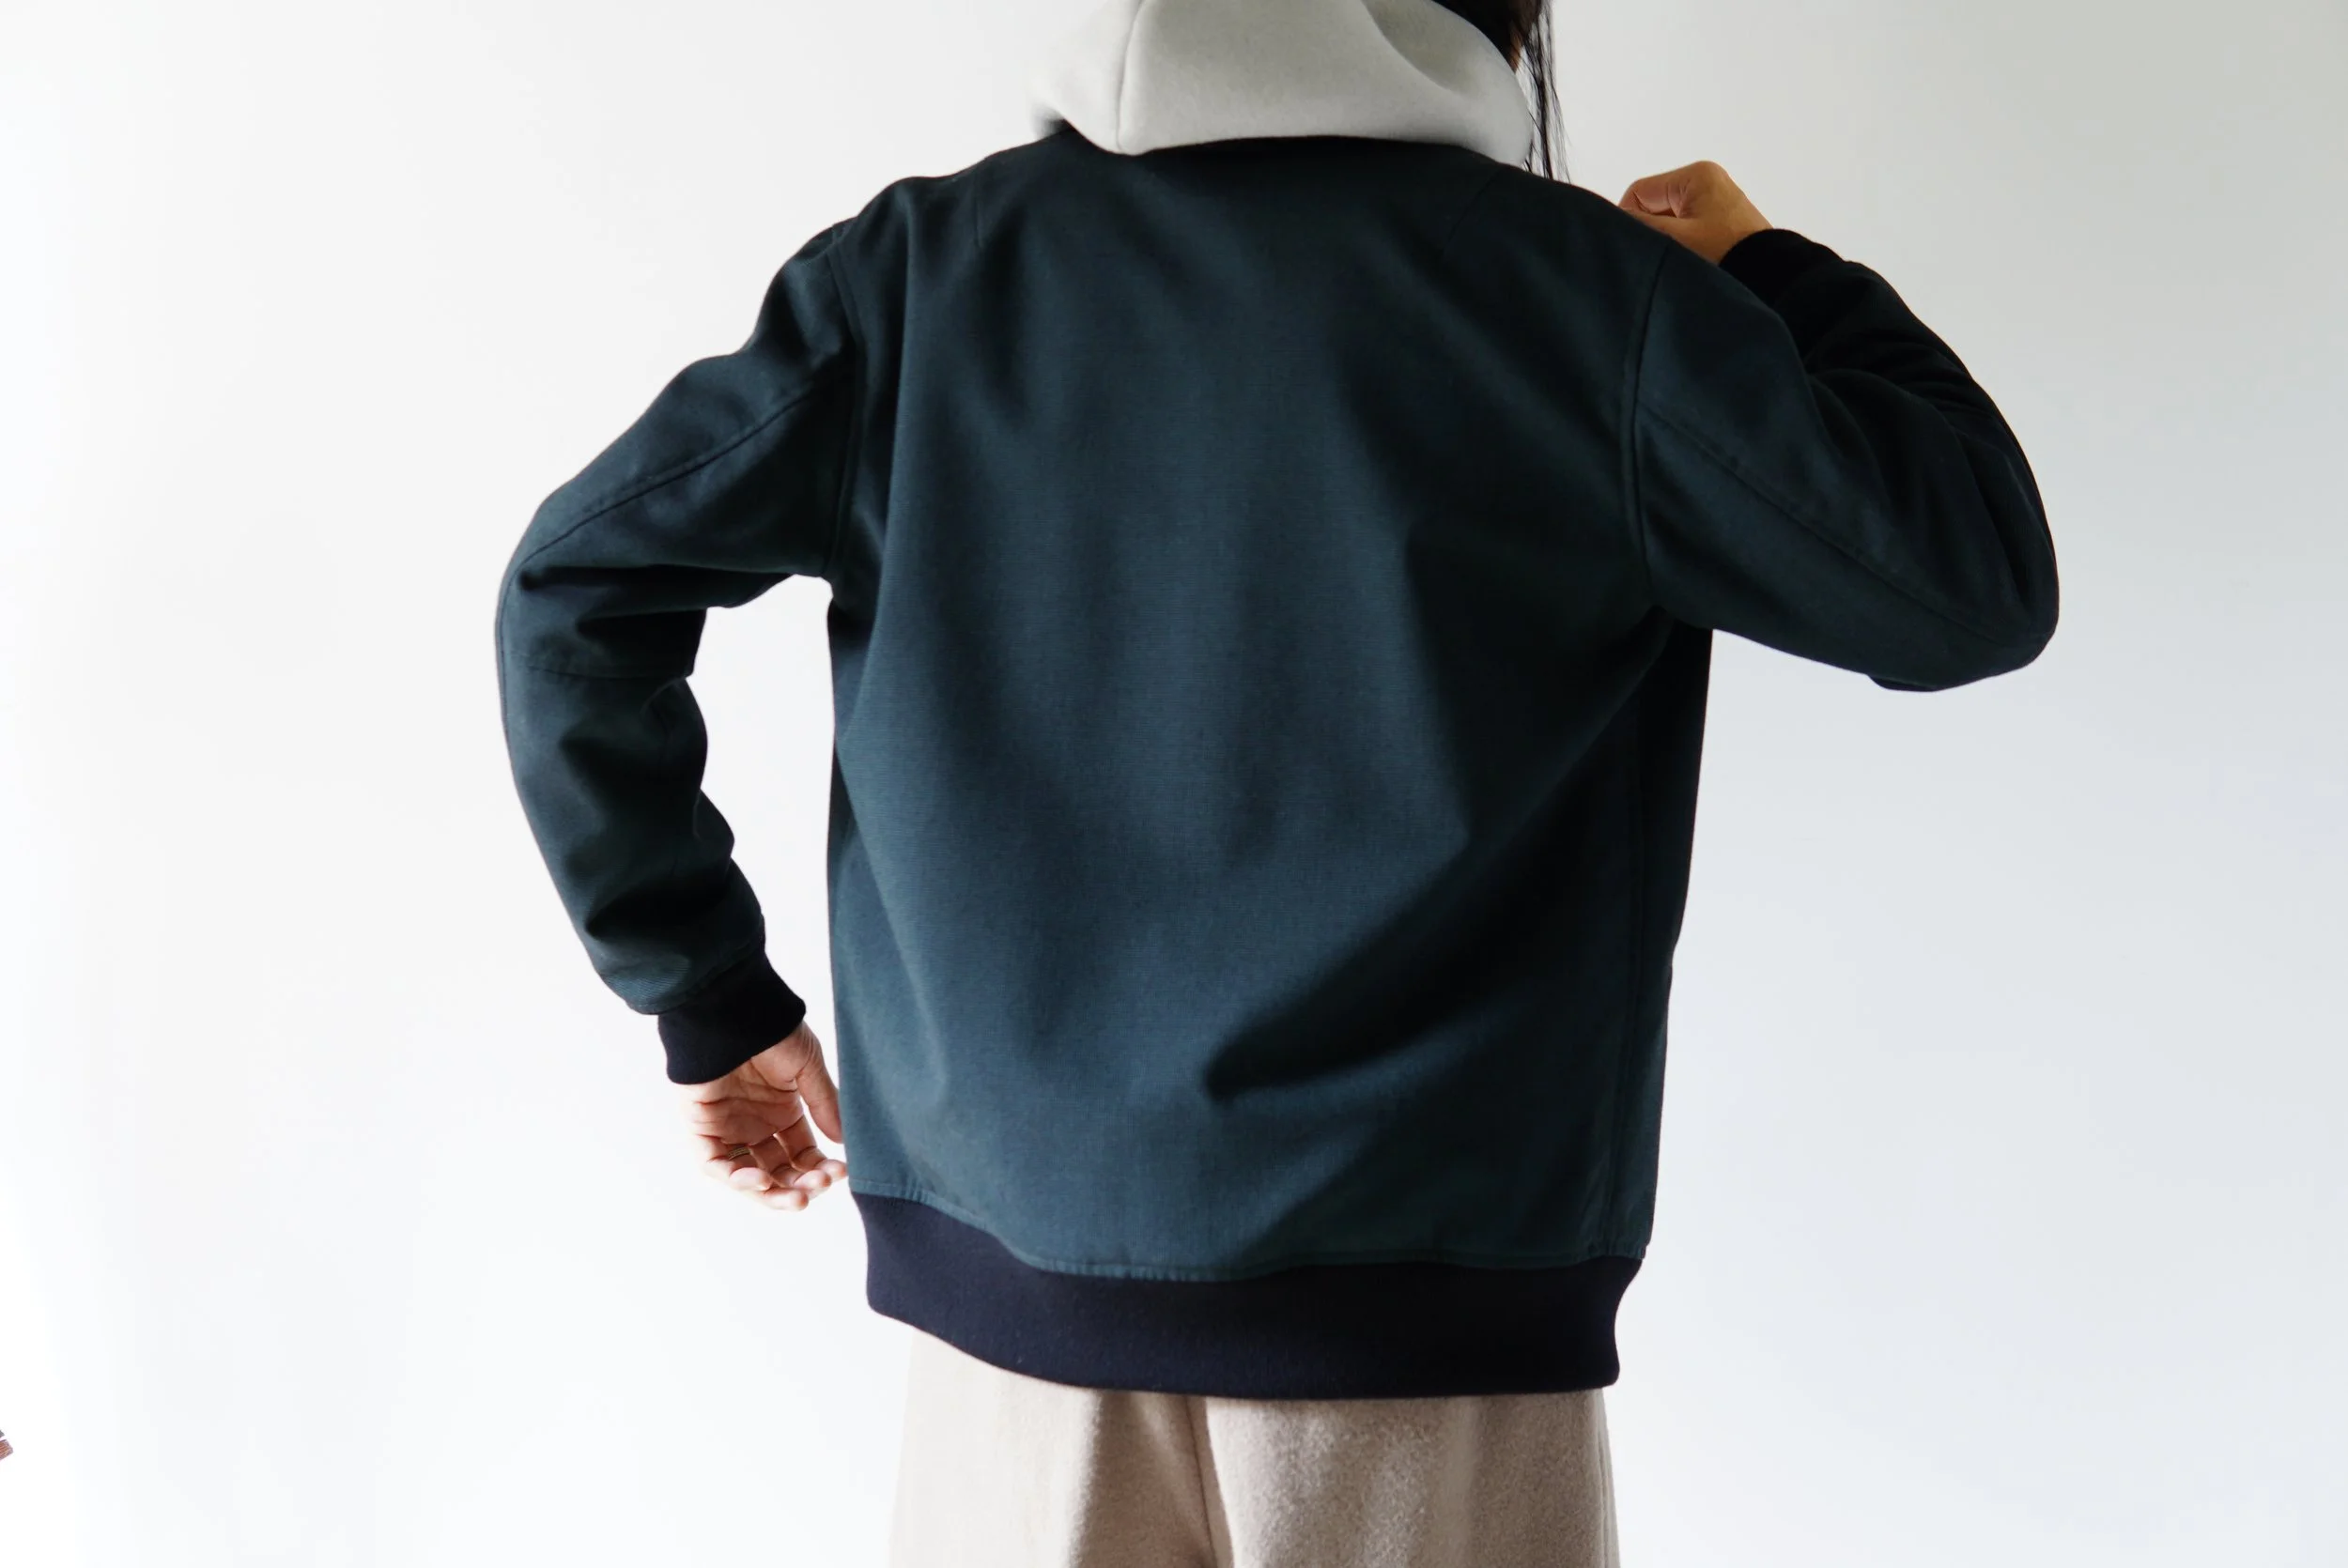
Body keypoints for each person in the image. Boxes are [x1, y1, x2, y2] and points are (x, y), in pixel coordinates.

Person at [492, 0, 2060, 1560]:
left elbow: (577, 590)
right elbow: (1965, 577)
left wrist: (710, 995)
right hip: (1426, 1345)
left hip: (1012, 1338)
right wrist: (1772, 273)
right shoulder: (1587, 299)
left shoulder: (917, 281)